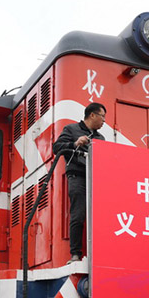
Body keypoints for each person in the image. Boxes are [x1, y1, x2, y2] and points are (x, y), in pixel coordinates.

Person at [53, 103, 107, 262]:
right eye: (102, 116)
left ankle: (99, 254)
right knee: (78, 215)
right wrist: (75, 143)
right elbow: (57, 148)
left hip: (96, 180)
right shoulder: (71, 129)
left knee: (100, 218)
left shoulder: (100, 138)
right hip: (77, 177)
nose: (104, 121)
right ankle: (75, 254)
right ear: (92, 115)